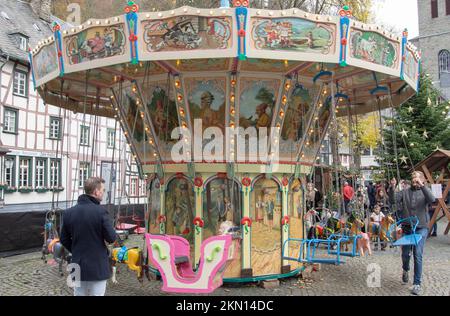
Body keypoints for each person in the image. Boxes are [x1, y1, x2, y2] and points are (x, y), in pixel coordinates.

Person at [61, 177, 117, 296]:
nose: (103, 192)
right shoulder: (101, 212)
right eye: (103, 190)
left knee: (79, 294)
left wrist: (76, 249)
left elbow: (64, 239)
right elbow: (111, 238)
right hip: (97, 265)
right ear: (96, 192)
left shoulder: (68, 213)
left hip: (77, 263)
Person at [389, 172, 436, 296]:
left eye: (417, 178)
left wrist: (422, 186)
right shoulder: (405, 191)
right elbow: (393, 200)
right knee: (405, 254)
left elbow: (432, 200)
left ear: (422, 180)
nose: (414, 180)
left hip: (421, 228)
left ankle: (417, 283)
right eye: (413, 178)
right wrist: (393, 187)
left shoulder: (426, 191)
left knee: (417, 253)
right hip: (407, 228)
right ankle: (405, 269)